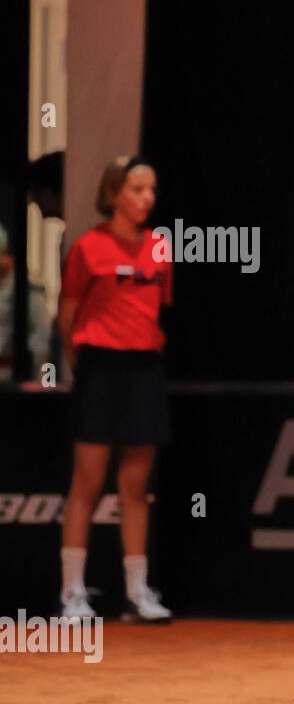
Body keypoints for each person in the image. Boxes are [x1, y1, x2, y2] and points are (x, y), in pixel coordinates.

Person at [57, 156, 173, 623]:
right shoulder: (88, 247)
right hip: (99, 369)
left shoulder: (161, 247)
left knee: (136, 485)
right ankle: (72, 593)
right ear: (113, 194)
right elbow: (67, 313)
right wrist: (82, 364)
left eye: (152, 190)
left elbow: (159, 309)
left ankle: (137, 592)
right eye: (137, 189)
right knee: (87, 482)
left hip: (145, 370)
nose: (147, 198)